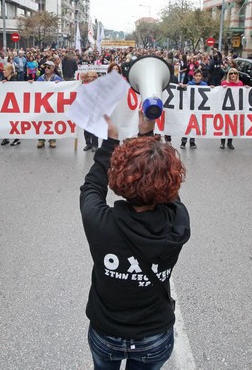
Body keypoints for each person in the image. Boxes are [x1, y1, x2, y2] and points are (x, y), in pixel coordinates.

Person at [80, 110, 190, 370]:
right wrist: (148, 136)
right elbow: (165, 187)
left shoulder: (99, 221)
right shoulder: (178, 222)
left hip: (105, 331)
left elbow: (92, 186)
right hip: (153, 336)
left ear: (119, 178)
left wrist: (110, 141)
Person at [34, 60, 63, 149]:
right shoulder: (40, 78)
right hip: (42, 104)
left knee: (52, 121)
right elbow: (35, 88)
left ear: (53, 68)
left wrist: (61, 84)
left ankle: (52, 139)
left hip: (53, 104)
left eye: (48, 67)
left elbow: (65, 88)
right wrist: (31, 84)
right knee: (41, 121)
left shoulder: (57, 78)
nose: (46, 69)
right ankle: (41, 139)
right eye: (45, 67)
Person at [179, 70, 206, 149]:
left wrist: (212, 88)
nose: (198, 77)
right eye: (196, 76)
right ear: (193, 76)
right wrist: (182, 86)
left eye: (199, 76)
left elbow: (209, 93)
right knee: (187, 124)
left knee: (195, 125)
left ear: (201, 77)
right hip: (189, 107)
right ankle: (183, 142)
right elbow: (184, 89)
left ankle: (192, 142)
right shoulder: (190, 84)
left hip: (198, 108)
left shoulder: (204, 85)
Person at [220, 68, 244, 149]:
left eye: (235, 73)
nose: (233, 75)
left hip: (235, 108)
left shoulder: (240, 83)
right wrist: (221, 89)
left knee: (232, 125)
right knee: (225, 125)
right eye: (231, 73)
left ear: (237, 75)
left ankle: (230, 142)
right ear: (228, 75)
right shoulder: (224, 83)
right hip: (226, 108)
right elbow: (218, 94)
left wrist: (247, 89)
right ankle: (222, 142)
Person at [0, 64, 21, 147]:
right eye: (3, 70)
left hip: (14, 104)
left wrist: (8, 84)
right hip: (6, 104)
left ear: (9, 71)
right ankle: (6, 137)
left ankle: (17, 138)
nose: (3, 72)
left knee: (14, 121)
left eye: (5, 70)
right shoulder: (4, 79)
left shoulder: (14, 80)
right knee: (6, 120)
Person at [81, 71, 100, 152]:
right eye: (89, 76)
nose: (91, 78)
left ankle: (95, 145)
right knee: (86, 129)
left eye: (92, 77)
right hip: (85, 109)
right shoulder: (83, 85)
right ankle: (88, 144)